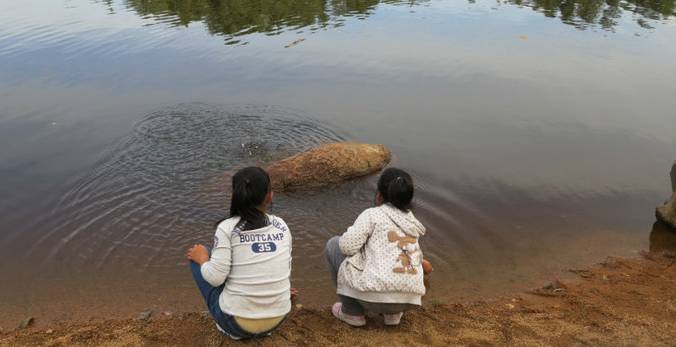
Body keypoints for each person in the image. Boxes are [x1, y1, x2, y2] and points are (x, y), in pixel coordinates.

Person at [186, 166, 293, 340]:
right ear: (269, 196)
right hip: (278, 318)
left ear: (233, 196)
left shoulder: (227, 228)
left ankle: (226, 327)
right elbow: (283, 265)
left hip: (236, 324)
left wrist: (203, 259)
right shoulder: (282, 225)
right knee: (230, 258)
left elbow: (215, 278)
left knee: (202, 254)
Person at [325, 167, 432, 327]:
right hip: (409, 300)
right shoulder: (413, 223)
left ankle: (352, 313)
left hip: (374, 297)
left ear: (379, 196)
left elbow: (346, 247)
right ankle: (393, 316)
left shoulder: (372, 215)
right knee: (405, 261)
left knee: (333, 244)